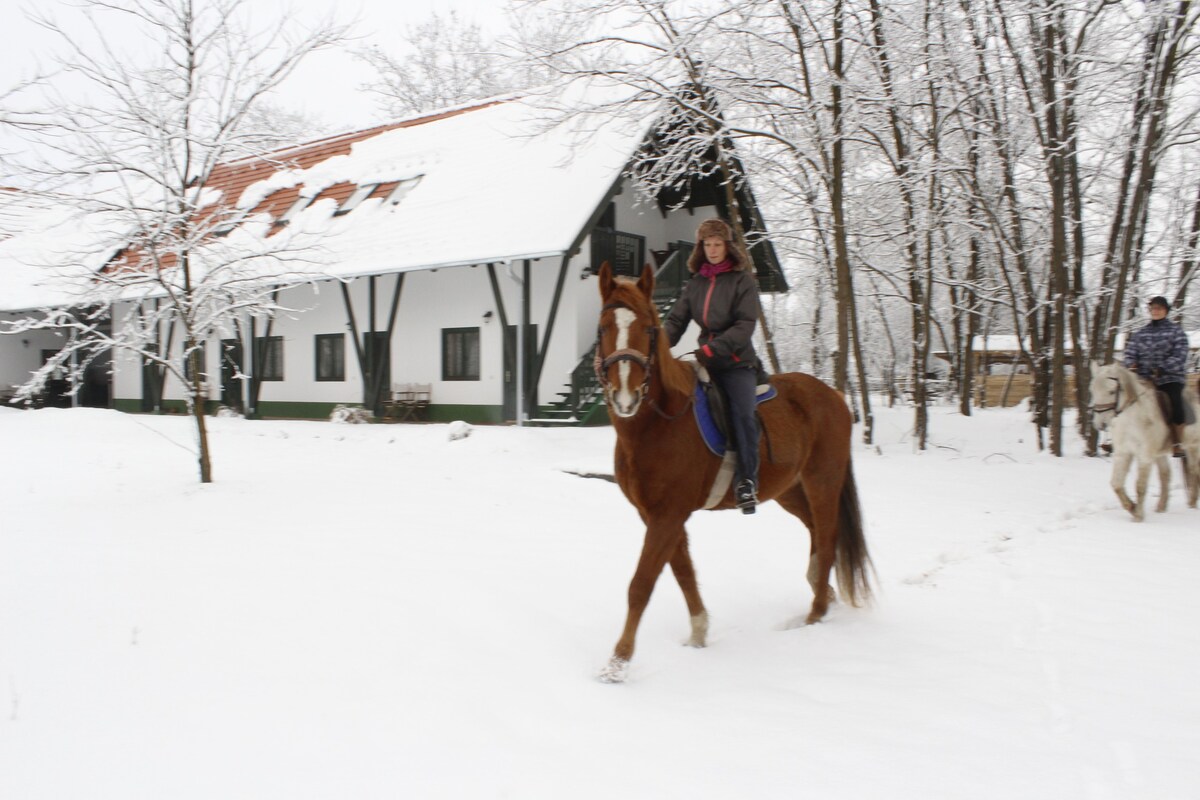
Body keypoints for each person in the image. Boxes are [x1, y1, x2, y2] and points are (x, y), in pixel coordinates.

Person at [664, 218, 764, 513]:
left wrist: (715, 348)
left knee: (743, 413)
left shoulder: (742, 281)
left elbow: (746, 324)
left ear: (727, 246)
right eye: (707, 244)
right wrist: (654, 346)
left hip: (736, 363)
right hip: (705, 360)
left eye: (718, 244)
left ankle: (747, 481)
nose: (713, 250)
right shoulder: (695, 284)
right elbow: (676, 321)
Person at [1123, 295, 1190, 457]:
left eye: (1159, 308)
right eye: (1153, 308)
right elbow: (1130, 352)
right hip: (1144, 379)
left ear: (1166, 311)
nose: (1155, 311)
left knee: (1175, 401)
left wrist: (1163, 368)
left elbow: (1180, 355)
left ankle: (1177, 442)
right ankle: (1119, 437)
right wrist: (1130, 363)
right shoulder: (1141, 334)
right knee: (1123, 398)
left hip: (1170, 378)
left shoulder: (1176, 332)